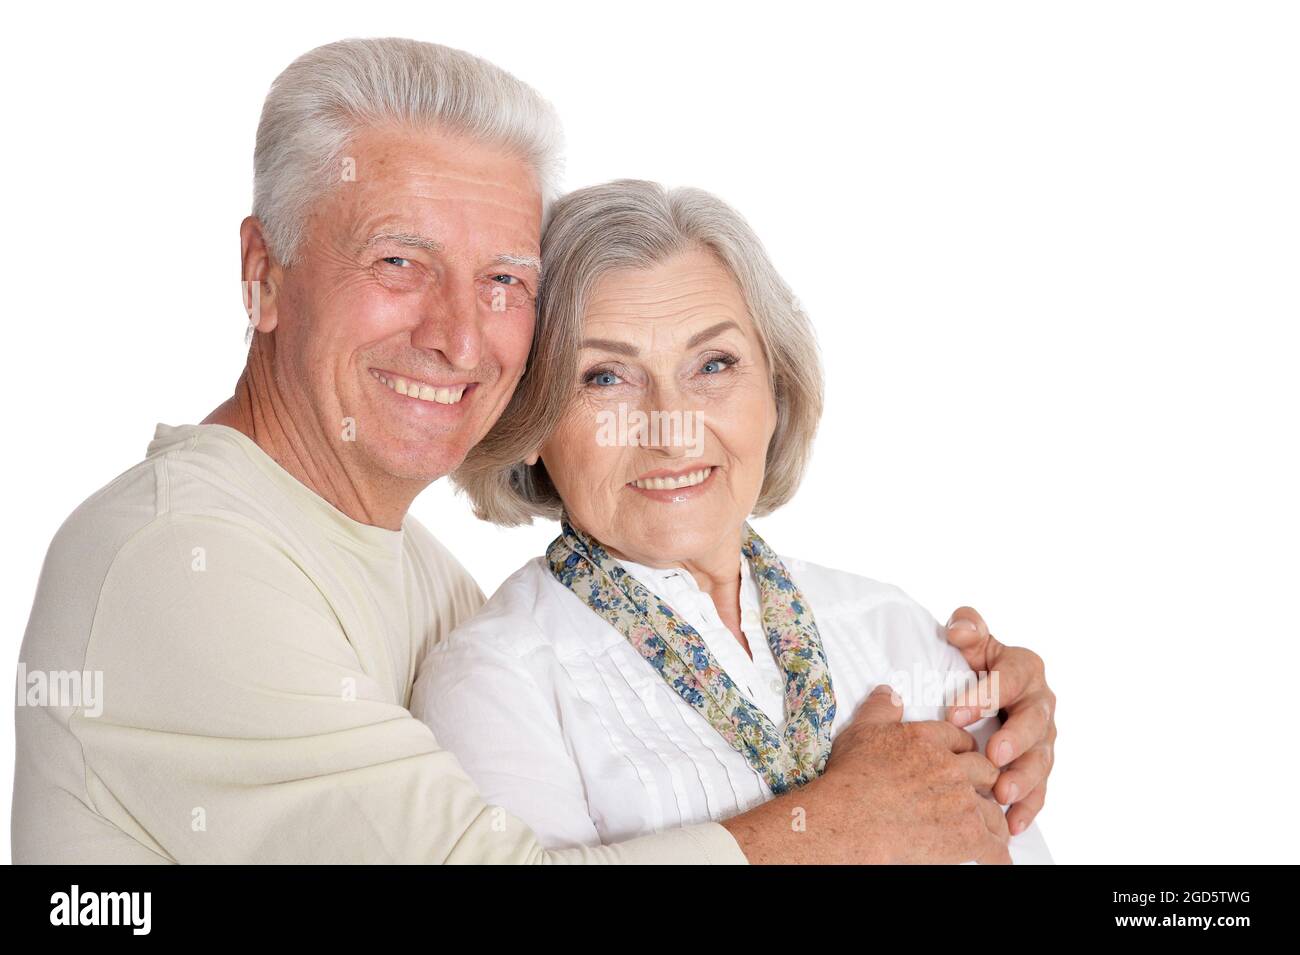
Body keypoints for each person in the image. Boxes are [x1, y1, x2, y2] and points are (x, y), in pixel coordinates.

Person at [12, 38, 1054, 864]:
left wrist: (989, 726)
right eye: (397, 259)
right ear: (264, 273)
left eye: (504, 278)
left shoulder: (423, 580)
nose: (460, 336)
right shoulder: (177, 561)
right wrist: (845, 822)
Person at [412, 179, 1054, 862]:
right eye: (605, 376)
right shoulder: (494, 682)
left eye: (713, 364)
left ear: (775, 392)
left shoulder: (894, 625)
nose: (672, 431)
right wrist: (843, 821)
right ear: (531, 420)